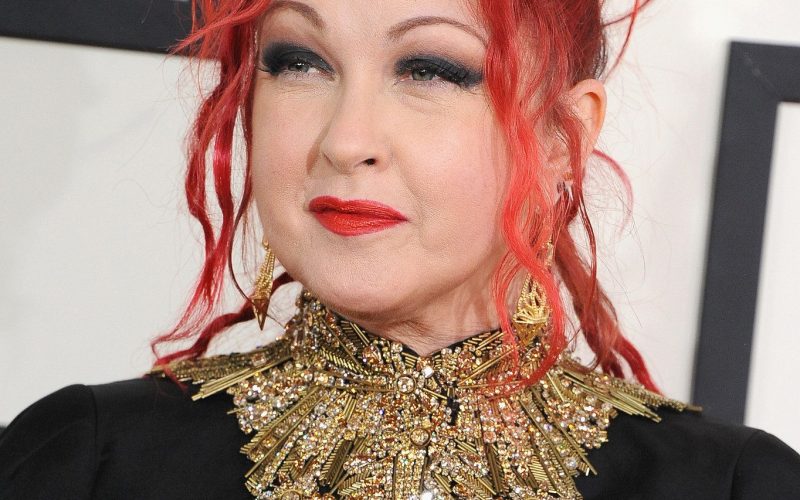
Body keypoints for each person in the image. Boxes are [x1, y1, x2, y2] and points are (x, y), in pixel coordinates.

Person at [1, 0, 799, 498]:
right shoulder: (84, 461)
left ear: (562, 137)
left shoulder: (734, 486)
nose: (346, 140)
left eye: (429, 70)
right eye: (299, 62)